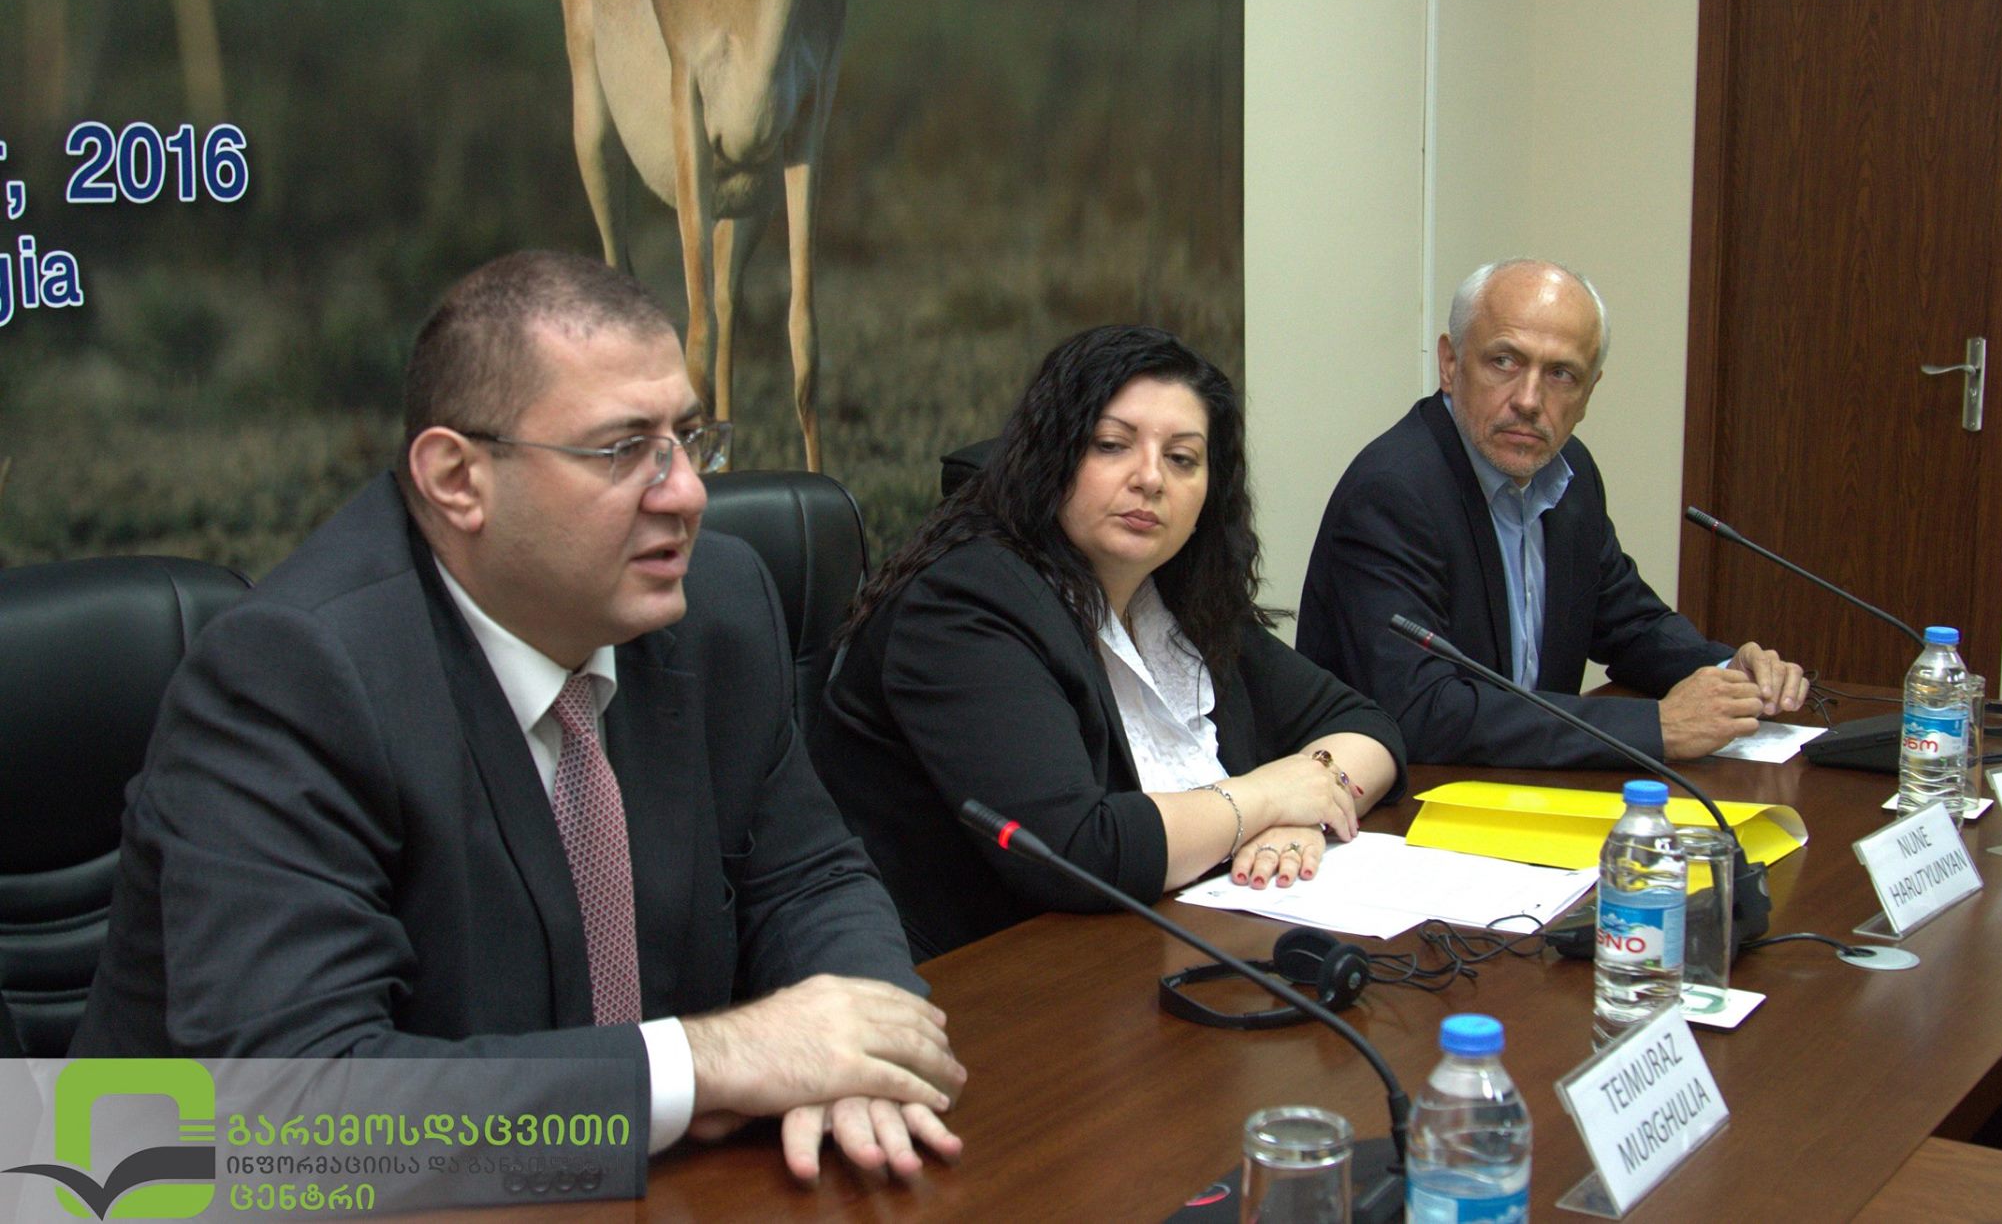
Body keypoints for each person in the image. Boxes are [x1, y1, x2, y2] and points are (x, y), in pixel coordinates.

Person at [72, 252, 963, 1190]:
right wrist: (710, 1061)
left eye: (689, 438)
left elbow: (811, 879)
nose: (688, 492)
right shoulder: (291, 678)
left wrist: (865, 1055)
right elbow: (292, 1108)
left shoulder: (720, 601)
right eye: (623, 450)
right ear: (458, 478)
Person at [811, 325, 1406, 961]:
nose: (1150, 478)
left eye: (1182, 459)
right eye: (1112, 445)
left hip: (1159, 950)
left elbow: (1367, 727)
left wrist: (1306, 808)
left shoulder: (1175, 598)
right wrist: (1264, 799)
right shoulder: (964, 604)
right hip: (989, 979)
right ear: (1051, 458)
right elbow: (1074, 851)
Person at [1296, 258, 1807, 769]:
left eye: (1561, 374)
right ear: (1450, 364)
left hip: (1532, 789)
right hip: (1412, 801)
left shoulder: (1568, 472)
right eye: (1504, 362)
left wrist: (1725, 671)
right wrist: (1656, 728)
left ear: (1588, 393)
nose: (1529, 400)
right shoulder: (1393, 492)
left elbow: (1628, 622)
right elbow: (1420, 709)